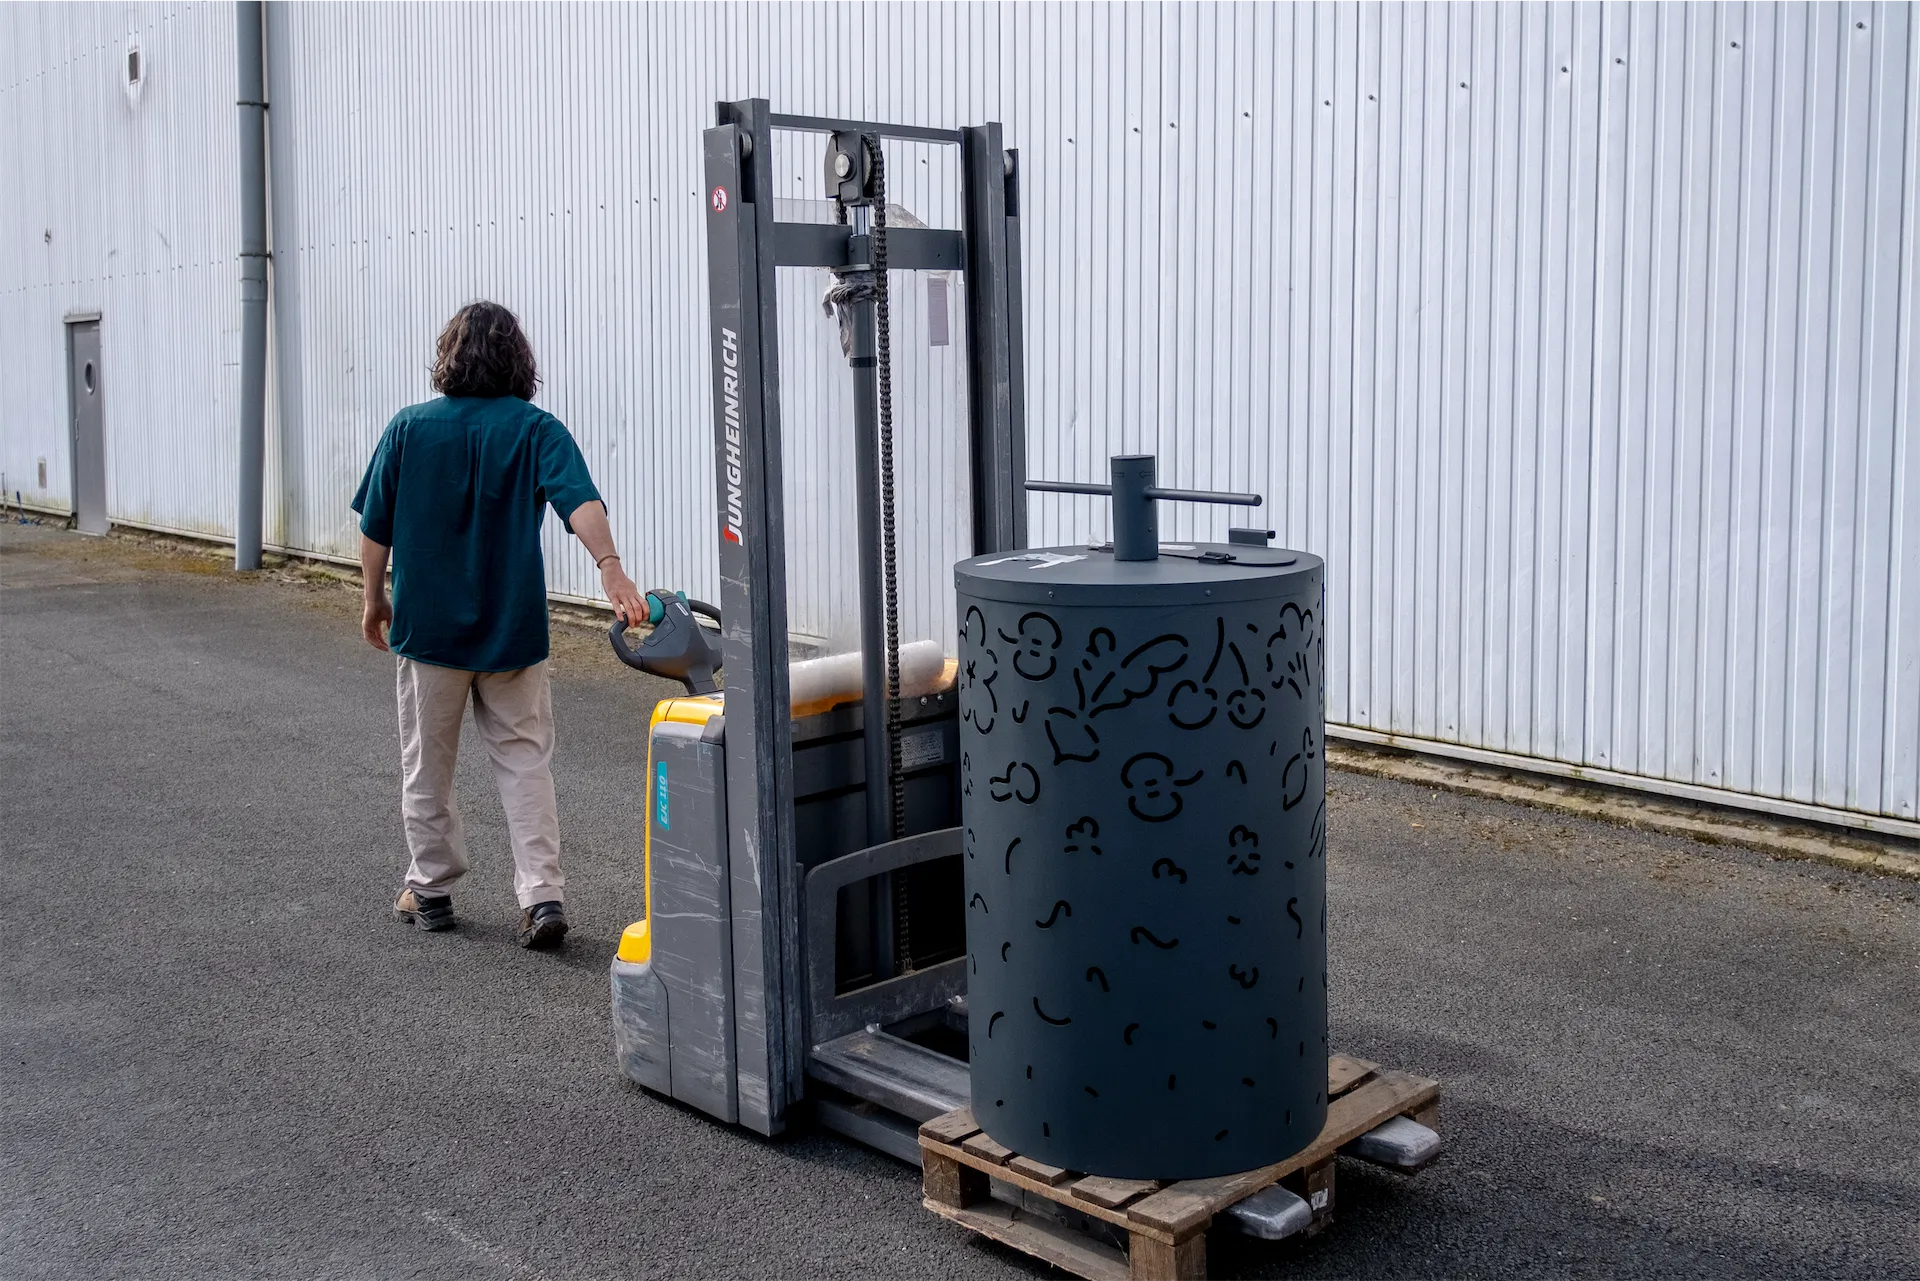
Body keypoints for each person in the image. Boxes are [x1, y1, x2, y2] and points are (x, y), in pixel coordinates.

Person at [352, 301, 646, 948]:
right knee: (524, 762)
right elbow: (582, 503)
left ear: (448, 355)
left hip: (429, 633)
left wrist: (374, 598)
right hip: (512, 628)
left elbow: (375, 528)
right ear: (520, 361)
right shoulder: (536, 430)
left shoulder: (408, 428)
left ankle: (430, 888)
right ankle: (542, 896)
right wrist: (611, 571)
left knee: (427, 762)